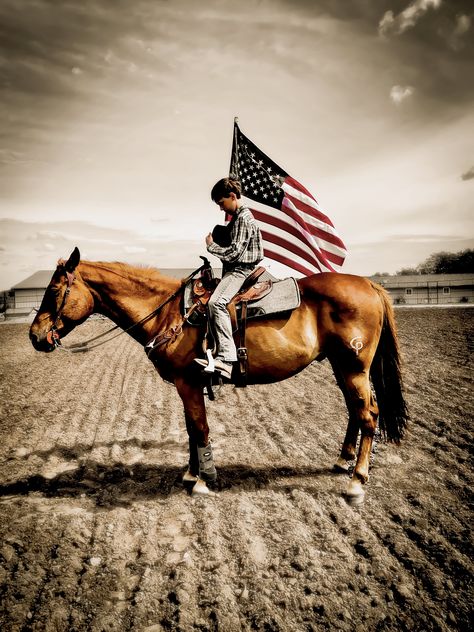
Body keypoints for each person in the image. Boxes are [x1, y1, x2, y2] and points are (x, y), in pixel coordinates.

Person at [194, 177, 263, 379]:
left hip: (241, 270)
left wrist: (211, 247)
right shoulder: (239, 218)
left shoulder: (243, 219)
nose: (221, 209)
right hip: (237, 268)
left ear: (232, 196)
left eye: (221, 203)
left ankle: (225, 358)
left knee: (216, 303)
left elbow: (235, 253)